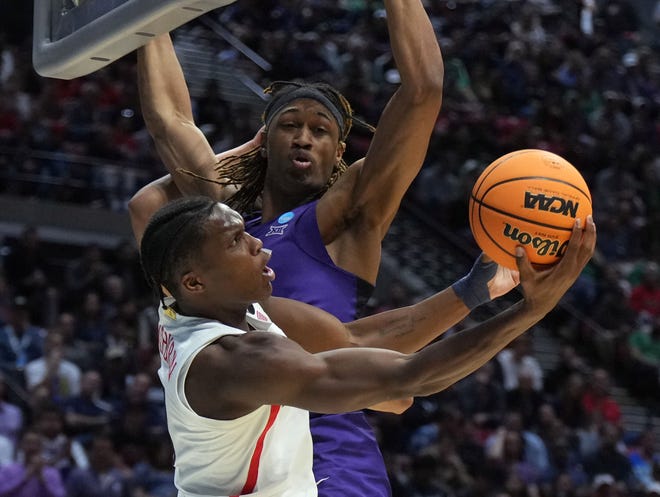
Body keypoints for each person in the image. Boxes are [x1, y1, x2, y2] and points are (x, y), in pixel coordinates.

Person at [126, 1, 524, 495]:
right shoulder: (224, 229)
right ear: (264, 138)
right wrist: (139, 14)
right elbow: (169, 127)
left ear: (340, 152)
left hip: (330, 449)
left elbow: (423, 92)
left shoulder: (347, 213)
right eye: (289, 125)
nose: (304, 138)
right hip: (248, 443)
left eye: (320, 131)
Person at [139, 196, 595, 497]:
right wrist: (532, 311)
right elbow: (409, 376)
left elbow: (354, 340)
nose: (261, 245)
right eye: (237, 241)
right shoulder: (232, 361)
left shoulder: (197, 303)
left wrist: (473, 292)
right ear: (194, 281)